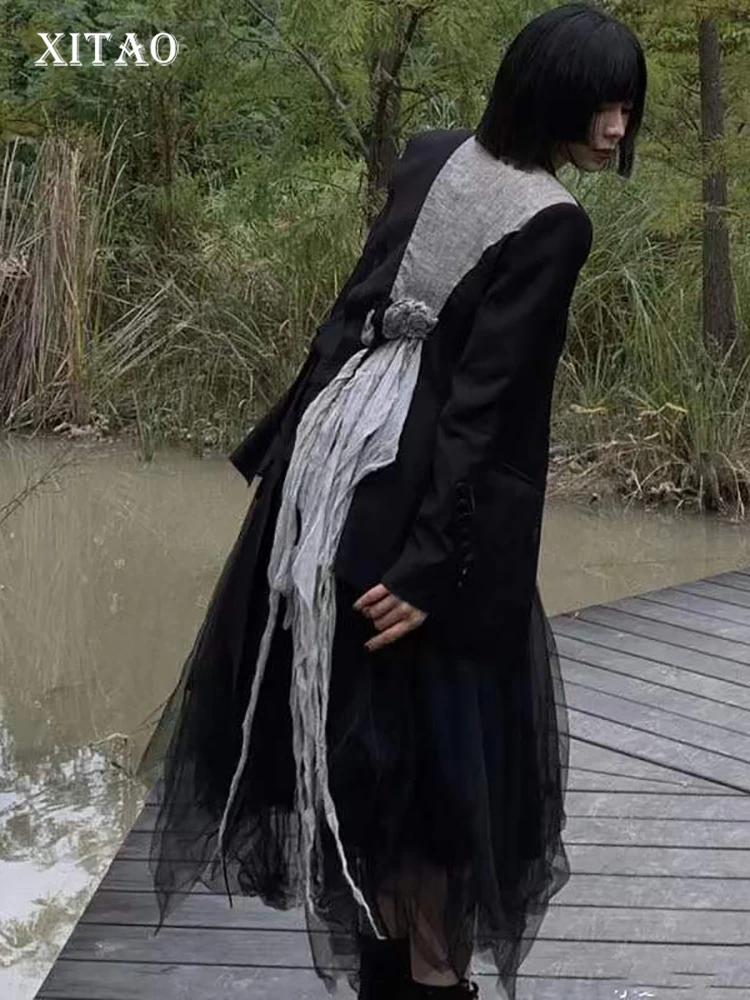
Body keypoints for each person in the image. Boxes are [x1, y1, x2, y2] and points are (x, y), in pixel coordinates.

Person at [135, 3, 646, 998]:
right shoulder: (555, 220)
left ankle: (394, 969)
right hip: (411, 499)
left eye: (628, 107)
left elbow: (354, 309)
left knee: (374, 754)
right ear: (548, 97)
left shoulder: (432, 153)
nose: (617, 129)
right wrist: (434, 567)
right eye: (602, 106)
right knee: (443, 783)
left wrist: (288, 455)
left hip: (331, 476)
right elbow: (486, 410)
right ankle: (431, 978)